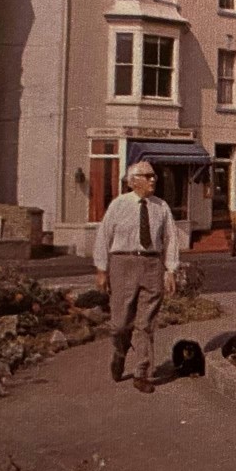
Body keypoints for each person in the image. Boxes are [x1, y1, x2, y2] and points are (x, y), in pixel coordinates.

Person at [93, 161, 180, 393]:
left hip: (152, 264)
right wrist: (102, 269)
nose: (153, 180)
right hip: (122, 263)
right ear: (132, 181)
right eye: (147, 176)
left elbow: (171, 239)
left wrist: (170, 270)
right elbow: (103, 237)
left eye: (154, 176)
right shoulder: (118, 205)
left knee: (146, 323)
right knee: (120, 324)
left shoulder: (161, 207)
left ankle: (142, 372)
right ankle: (120, 353)